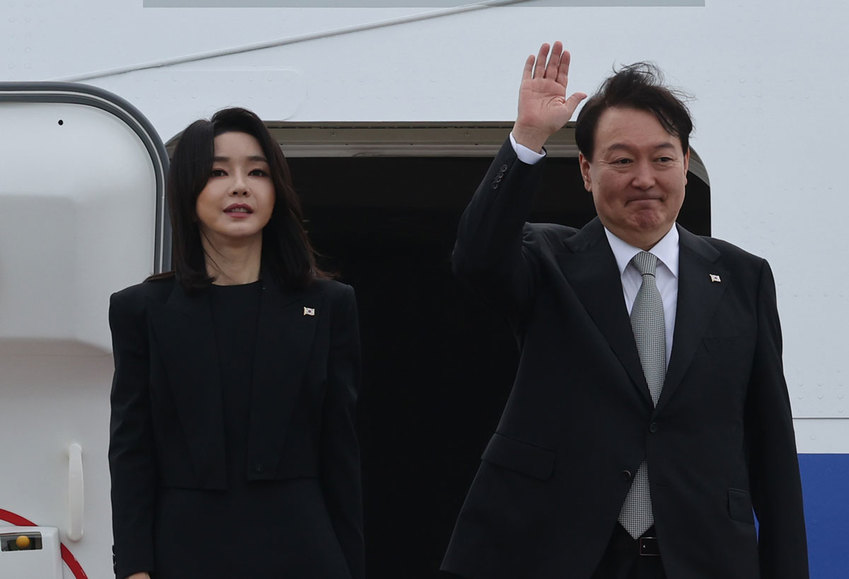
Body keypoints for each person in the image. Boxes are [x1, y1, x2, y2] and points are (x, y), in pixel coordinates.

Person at [441, 42, 808, 578]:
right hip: (558, 550)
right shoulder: (546, 261)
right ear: (586, 171)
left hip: (702, 555)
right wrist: (528, 138)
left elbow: (771, 443)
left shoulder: (742, 277)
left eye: (662, 158)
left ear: (686, 164)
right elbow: (477, 258)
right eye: (621, 160)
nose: (644, 178)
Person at [108, 107, 363, 579]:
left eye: (257, 172)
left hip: (303, 550)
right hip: (184, 551)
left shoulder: (328, 304)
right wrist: (134, 568)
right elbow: (131, 452)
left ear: (277, 191)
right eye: (218, 172)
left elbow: (341, 454)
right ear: (188, 192)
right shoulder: (140, 310)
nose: (240, 186)